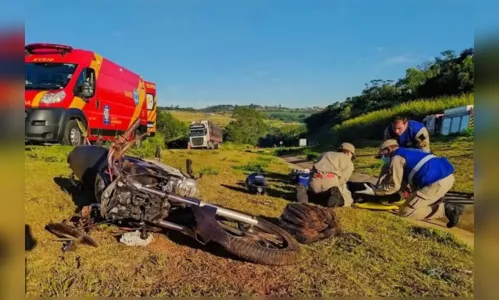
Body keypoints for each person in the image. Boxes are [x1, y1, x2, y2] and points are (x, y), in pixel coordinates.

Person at [356, 139, 464, 228]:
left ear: (388, 150)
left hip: (435, 183)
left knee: (405, 211)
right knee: (414, 199)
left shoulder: (396, 158)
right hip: (446, 178)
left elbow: (394, 185)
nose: (382, 159)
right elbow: (406, 180)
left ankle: (445, 209)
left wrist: (376, 192)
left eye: (382, 155)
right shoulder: (410, 152)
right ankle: (440, 204)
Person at [377, 116, 431, 186]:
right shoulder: (388, 131)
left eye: (399, 128)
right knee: (386, 167)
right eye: (394, 128)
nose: (396, 131)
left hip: (416, 154)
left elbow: (424, 151)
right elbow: (387, 147)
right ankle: (380, 187)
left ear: (406, 124)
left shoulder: (419, 130)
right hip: (397, 153)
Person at [307, 142, 356, 207]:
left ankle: (309, 195)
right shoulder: (348, 161)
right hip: (330, 180)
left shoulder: (324, 154)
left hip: (313, 180)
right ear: (348, 152)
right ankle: (338, 200)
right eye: (352, 156)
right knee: (346, 196)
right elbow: (343, 180)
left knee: (317, 190)